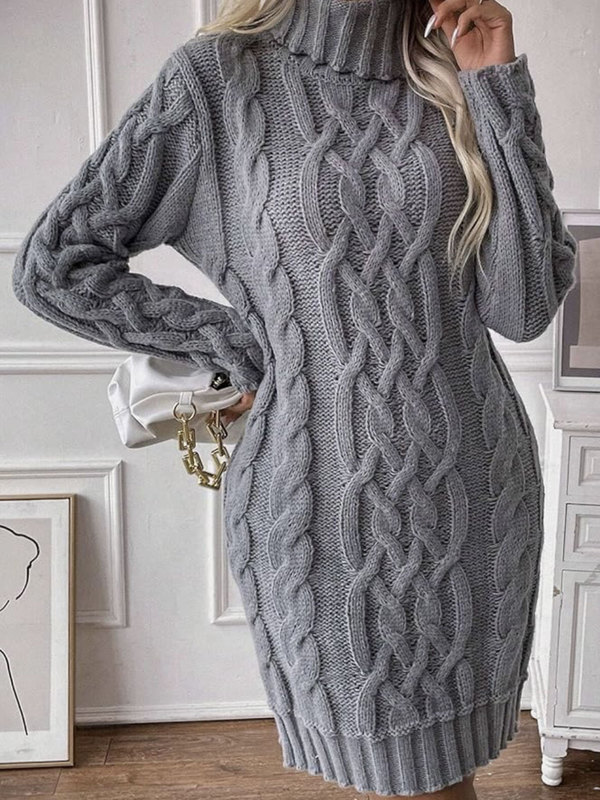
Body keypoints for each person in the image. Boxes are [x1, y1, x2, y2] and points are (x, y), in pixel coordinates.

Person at [12, 0, 577, 796]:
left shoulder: (454, 78)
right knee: (400, 779)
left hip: (477, 500)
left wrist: (497, 83)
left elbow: (523, 306)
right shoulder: (218, 79)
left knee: (451, 781)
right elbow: (57, 266)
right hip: (322, 506)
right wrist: (236, 343)